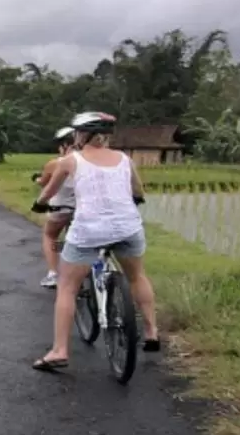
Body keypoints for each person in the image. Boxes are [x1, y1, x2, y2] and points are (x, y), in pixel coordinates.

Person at [30, 111, 160, 373]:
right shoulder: (125, 159)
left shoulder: (70, 161)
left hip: (89, 230)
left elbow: (49, 191)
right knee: (136, 277)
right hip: (128, 228)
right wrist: (134, 200)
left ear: (82, 135)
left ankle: (59, 351)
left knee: (67, 286)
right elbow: (138, 191)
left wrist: (40, 204)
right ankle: (151, 333)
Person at [33, 126, 76, 288]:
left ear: (65, 145)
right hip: (82, 211)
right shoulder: (89, 162)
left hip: (59, 209)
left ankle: (53, 274)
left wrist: (37, 180)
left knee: (50, 235)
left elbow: (44, 183)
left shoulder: (55, 163)